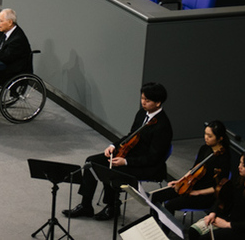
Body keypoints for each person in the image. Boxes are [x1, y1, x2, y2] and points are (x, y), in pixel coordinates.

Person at [64, 82, 173, 222]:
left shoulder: (163, 126)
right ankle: (86, 205)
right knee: (91, 162)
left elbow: (154, 158)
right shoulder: (142, 113)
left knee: (111, 170)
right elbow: (131, 135)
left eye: (147, 100)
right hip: (130, 154)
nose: (143, 103)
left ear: (158, 103)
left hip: (147, 165)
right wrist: (113, 146)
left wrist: (126, 161)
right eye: (142, 98)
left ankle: (113, 207)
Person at [189, 149, 245, 240]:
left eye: (244, 165)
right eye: (240, 163)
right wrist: (213, 213)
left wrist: (227, 224)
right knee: (193, 231)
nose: (239, 167)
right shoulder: (240, 178)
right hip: (229, 219)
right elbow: (223, 196)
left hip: (243, 230)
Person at [152, 120, 230, 214]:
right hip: (191, 185)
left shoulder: (224, 158)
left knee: (170, 205)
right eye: (205, 134)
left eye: (210, 136)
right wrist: (180, 181)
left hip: (205, 195)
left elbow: (218, 187)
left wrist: (198, 192)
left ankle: (165, 229)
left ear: (220, 138)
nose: (206, 138)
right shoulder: (204, 148)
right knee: (156, 197)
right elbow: (193, 170)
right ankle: (154, 224)